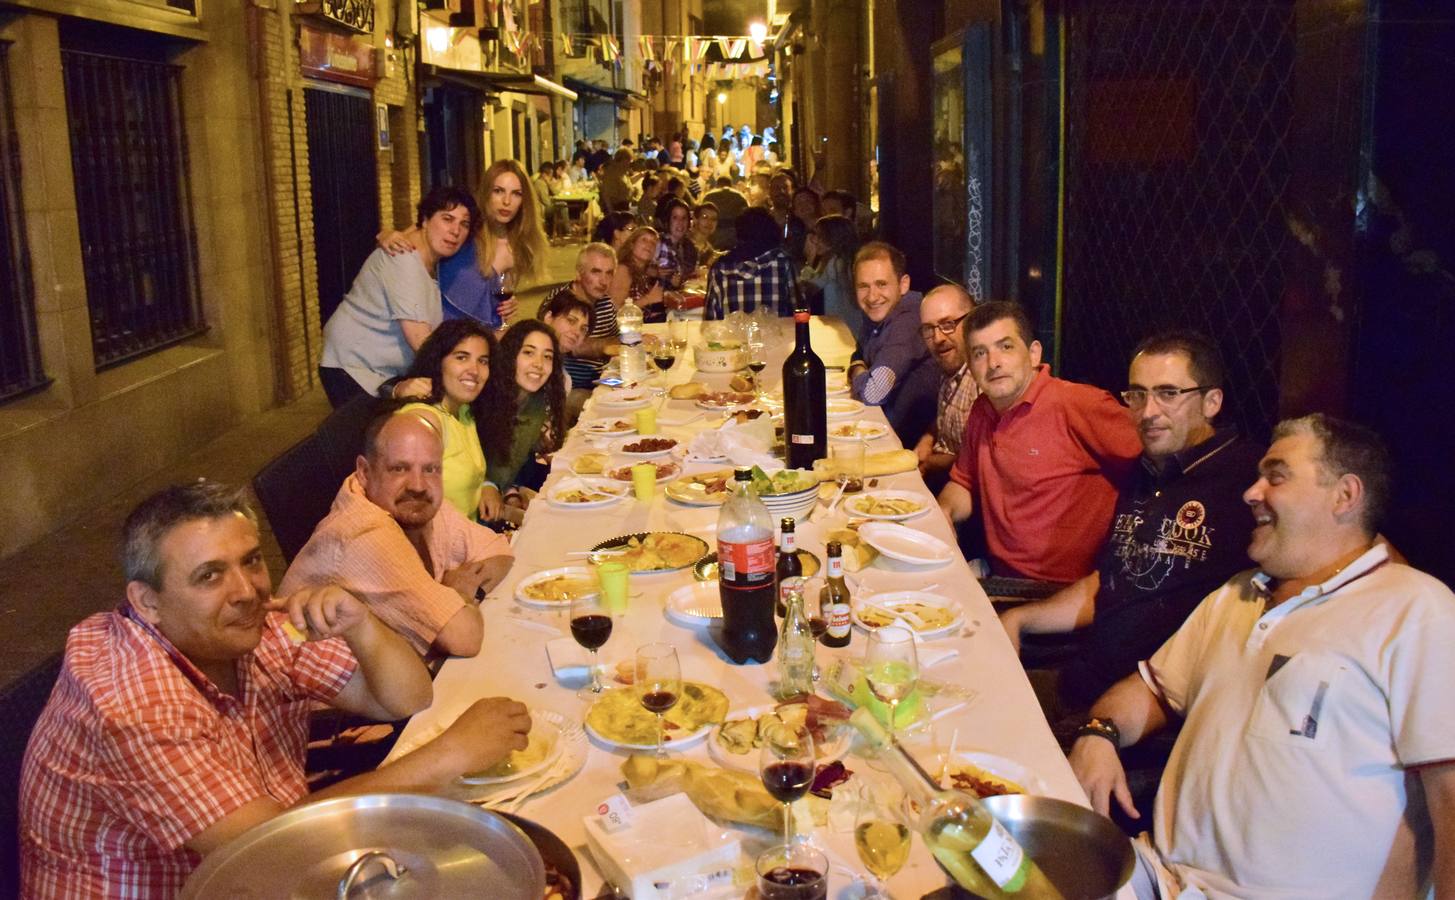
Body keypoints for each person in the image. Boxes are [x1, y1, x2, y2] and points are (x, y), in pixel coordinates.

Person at [20, 481, 531, 897]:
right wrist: (448, 755)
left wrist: (363, 625)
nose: (246, 590)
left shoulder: (249, 626)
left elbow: (405, 698)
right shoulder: (129, 701)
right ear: (147, 601)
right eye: (209, 576)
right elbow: (268, 849)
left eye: (251, 560)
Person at [1071, 415, 1455, 899]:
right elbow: (1150, 690)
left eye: (1276, 476)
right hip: (1157, 877)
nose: (1251, 492)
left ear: (1345, 496)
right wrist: (1098, 734)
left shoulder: (1416, 610)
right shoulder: (1237, 595)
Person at [999, 331, 1261, 724]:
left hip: (1140, 715)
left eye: (1168, 393)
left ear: (1212, 401)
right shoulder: (1147, 468)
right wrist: (1019, 618)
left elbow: (1352, 545)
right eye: (1137, 394)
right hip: (1080, 678)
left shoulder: (1248, 479)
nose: (1148, 411)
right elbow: (1109, 580)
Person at [937, 302, 1142, 584]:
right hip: (998, 575)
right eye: (980, 353)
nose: (993, 362)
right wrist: (944, 511)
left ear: (1034, 353)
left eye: (1005, 347)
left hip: (1058, 591)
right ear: (970, 367)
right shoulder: (982, 410)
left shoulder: (1076, 404)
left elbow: (1160, 457)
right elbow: (964, 482)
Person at [279, 410, 513, 657]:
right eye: (399, 469)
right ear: (364, 472)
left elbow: (500, 552)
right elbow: (465, 638)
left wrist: (461, 594)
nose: (418, 485)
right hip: (313, 689)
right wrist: (461, 594)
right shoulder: (364, 534)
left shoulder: (416, 503)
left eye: (431, 469)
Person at [319, 186, 478, 407]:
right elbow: (422, 342)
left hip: (384, 372)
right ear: (424, 220)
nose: (455, 231)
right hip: (354, 367)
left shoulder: (432, 263)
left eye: (464, 224)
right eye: (447, 219)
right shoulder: (404, 259)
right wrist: (466, 372)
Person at [376, 160, 546, 332]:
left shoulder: (518, 246)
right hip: (433, 325)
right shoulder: (462, 225)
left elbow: (498, 290)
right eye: (498, 191)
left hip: (478, 332)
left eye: (516, 193)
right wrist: (386, 235)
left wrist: (508, 303)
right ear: (486, 192)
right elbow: (412, 234)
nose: (507, 201)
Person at [394, 320, 497, 522]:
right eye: (461, 357)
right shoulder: (424, 421)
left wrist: (486, 485)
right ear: (438, 362)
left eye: (482, 361)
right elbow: (405, 510)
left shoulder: (464, 411)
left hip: (470, 537)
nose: (474, 370)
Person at [846, 242, 940, 445]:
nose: (872, 296)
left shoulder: (907, 322)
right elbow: (860, 352)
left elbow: (872, 394)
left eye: (881, 284)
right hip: (888, 432)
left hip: (907, 446)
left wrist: (857, 369)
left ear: (903, 284)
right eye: (863, 286)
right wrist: (860, 364)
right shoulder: (882, 314)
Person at [477, 320, 568, 522]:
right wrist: (488, 485)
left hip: (504, 501)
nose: (539, 364)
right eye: (528, 352)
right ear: (510, 355)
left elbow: (512, 464)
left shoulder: (535, 403)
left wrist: (512, 490)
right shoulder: (484, 400)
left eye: (547, 357)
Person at [912, 283, 977, 490]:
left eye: (948, 324)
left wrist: (929, 462)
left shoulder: (984, 379)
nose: (938, 338)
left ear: (972, 321)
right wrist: (928, 438)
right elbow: (947, 417)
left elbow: (978, 461)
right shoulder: (949, 367)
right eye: (929, 329)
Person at [548, 244, 620, 421]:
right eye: (596, 272)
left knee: (634, 392)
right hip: (569, 389)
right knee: (608, 410)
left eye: (609, 273)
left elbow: (616, 345)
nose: (603, 281)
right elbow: (573, 345)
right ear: (579, 274)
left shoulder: (606, 303)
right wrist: (610, 345)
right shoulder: (559, 301)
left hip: (600, 380)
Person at [704, 207, 797, 319]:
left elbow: (710, 319)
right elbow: (798, 307)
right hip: (777, 335)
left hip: (732, 336)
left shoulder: (720, 267)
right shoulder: (783, 261)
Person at [799, 214, 861, 332]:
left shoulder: (834, 264)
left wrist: (810, 259)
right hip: (851, 328)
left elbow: (806, 288)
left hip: (840, 328)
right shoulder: (847, 261)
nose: (815, 241)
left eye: (820, 237)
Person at [612, 226, 667, 321]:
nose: (649, 245)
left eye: (653, 243)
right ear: (632, 244)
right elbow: (616, 311)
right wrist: (648, 299)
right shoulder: (623, 270)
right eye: (644, 240)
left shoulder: (642, 272)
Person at [653, 197, 698, 290]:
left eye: (684, 218)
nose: (680, 222)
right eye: (675, 218)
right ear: (668, 220)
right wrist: (653, 271)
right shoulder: (657, 242)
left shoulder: (688, 246)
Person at [702, 176, 748, 249]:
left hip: (714, 235)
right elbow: (746, 216)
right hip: (734, 235)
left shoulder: (709, 195)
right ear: (731, 185)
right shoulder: (740, 196)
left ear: (717, 185)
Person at [690, 201, 722, 268]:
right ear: (695, 219)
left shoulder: (709, 251)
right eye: (705, 217)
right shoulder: (682, 243)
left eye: (713, 219)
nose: (709, 222)